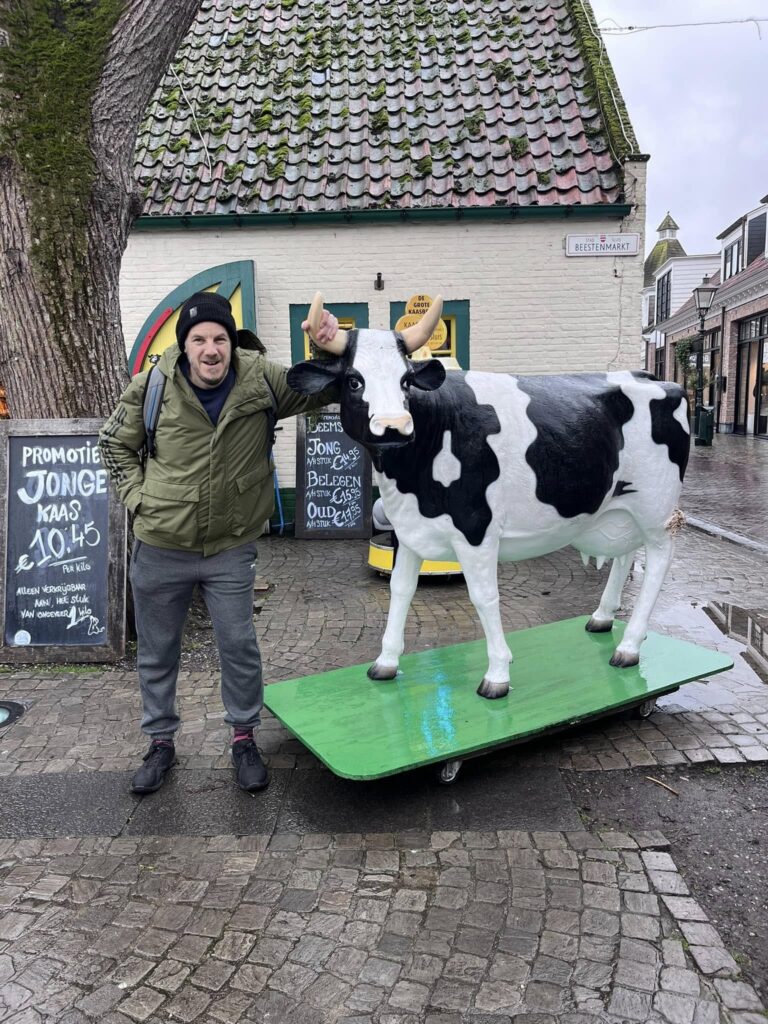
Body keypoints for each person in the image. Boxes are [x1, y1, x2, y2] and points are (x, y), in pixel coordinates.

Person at [99, 292, 338, 795]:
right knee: (159, 652)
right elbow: (114, 444)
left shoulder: (263, 379)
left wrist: (328, 351)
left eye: (220, 338)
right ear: (184, 345)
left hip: (230, 548)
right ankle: (160, 742)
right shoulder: (154, 385)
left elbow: (322, 391)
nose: (211, 349)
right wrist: (140, 501)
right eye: (199, 339)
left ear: (232, 342)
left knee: (239, 646)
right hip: (160, 546)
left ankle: (244, 738)